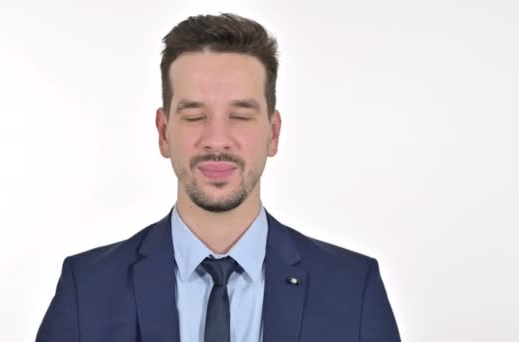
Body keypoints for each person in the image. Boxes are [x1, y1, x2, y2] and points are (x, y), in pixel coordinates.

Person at [36, 13, 401, 342]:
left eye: (240, 116)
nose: (216, 140)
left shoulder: (354, 290)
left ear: (273, 134)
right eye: (194, 116)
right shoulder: (86, 289)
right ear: (164, 133)